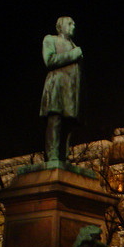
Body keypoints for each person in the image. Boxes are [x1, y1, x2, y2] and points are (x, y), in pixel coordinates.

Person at [40, 16, 83, 162]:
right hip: (56, 86)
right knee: (55, 120)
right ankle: (52, 155)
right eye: (70, 24)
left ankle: (63, 156)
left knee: (68, 124)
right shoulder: (50, 39)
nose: (73, 26)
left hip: (71, 91)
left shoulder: (74, 45)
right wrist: (73, 55)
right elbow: (49, 60)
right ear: (60, 26)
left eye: (74, 24)